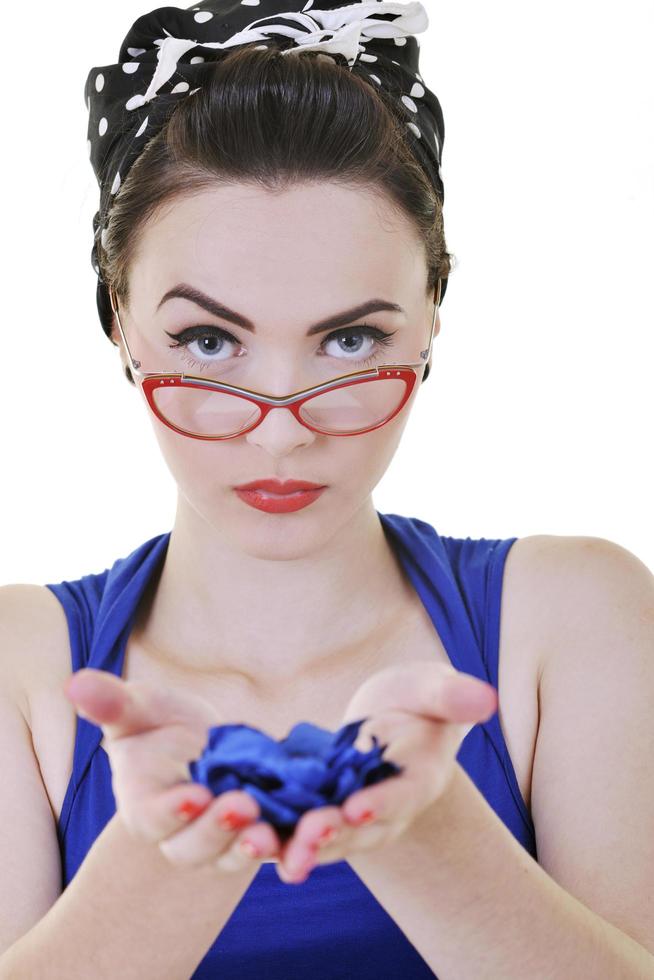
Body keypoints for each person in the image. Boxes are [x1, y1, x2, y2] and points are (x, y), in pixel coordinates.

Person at [2, 2, 653, 978]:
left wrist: (433, 839)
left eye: (350, 340)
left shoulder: (578, 613)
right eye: (208, 341)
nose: (282, 422)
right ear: (119, 323)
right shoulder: (21, 670)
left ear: (430, 318)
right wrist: (162, 858)